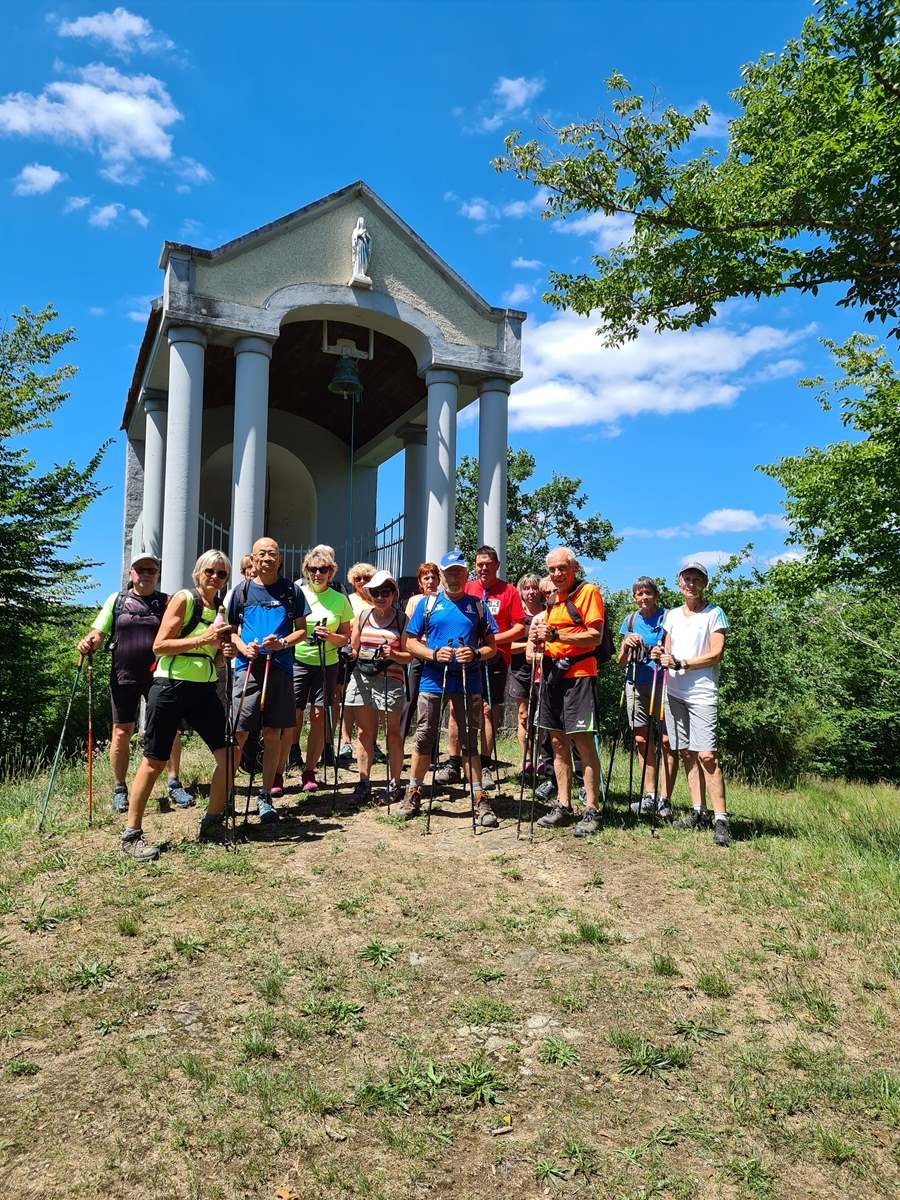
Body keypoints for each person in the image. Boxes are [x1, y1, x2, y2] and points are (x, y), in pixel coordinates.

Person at [118, 551, 235, 861]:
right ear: (198, 572)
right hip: (170, 686)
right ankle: (132, 834)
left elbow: (215, 654)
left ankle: (211, 823)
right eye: (210, 571)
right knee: (155, 760)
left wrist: (224, 650)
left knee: (228, 756)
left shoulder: (219, 608)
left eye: (222, 574)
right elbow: (160, 645)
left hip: (205, 688)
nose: (215, 577)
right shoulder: (184, 599)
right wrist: (204, 639)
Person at [77, 553, 192, 813]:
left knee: (169, 727)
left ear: (157, 574)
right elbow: (99, 631)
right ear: (131, 573)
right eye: (140, 569)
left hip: (160, 675)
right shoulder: (117, 601)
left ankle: (174, 782)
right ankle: (120, 788)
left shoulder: (167, 602)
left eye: (151, 570)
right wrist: (89, 642)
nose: (146, 574)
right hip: (123, 674)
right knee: (121, 731)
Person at [402, 549, 499, 826]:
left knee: (470, 737)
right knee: (424, 735)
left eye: (458, 571)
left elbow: (491, 646)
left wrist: (476, 654)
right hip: (433, 676)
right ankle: (414, 791)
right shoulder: (427, 604)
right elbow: (409, 642)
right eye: (449, 572)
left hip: (469, 678)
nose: (453, 576)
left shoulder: (478, 604)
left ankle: (479, 798)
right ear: (442, 575)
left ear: (465, 574)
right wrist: (433, 654)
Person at [226, 537, 309, 824]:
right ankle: (225, 794)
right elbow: (232, 631)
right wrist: (242, 646)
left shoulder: (291, 591)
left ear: (280, 558)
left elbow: (302, 630)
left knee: (274, 733)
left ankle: (265, 796)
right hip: (246, 668)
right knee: (239, 732)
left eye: (272, 553)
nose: (267, 558)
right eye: (262, 554)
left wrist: (283, 642)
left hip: (280, 667)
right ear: (253, 558)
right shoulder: (242, 590)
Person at [651, 561, 730, 847]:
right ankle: (699, 811)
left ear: (704, 584)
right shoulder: (671, 615)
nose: (692, 584)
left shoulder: (714, 613)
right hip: (673, 692)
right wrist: (662, 653)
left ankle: (721, 818)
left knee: (707, 755)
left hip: (702, 693)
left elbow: (715, 654)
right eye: (687, 579)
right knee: (685, 752)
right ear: (679, 584)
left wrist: (682, 663)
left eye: (697, 579)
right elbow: (668, 647)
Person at [435, 547, 524, 790]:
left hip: (494, 659)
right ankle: (454, 763)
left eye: (488, 563)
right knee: (456, 709)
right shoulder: (468, 587)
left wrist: (492, 640)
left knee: (487, 711)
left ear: (497, 564)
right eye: (479, 564)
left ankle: (483, 764)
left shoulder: (509, 591)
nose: (483, 568)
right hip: (465, 659)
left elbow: (519, 627)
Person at [530, 548, 606, 837]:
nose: (557, 574)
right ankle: (564, 805)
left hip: (579, 675)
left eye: (562, 568)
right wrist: (540, 638)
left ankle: (592, 809)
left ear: (574, 567)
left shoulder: (589, 592)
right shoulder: (552, 599)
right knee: (557, 741)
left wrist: (556, 635)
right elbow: (547, 636)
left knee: (582, 742)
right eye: (552, 570)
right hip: (552, 674)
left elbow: (595, 636)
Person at [344, 570, 410, 806]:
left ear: (393, 594)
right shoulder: (362, 616)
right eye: (375, 592)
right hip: (362, 677)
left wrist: (393, 654)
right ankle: (364, 782)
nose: (380, 596)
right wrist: (346, 653)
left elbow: (409, 656)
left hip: (390, 679)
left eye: (385, 592)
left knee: (392, 733)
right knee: (364, 733)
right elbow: (354, 649)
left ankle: (395, 783)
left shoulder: (402, 620)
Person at [291, 548, 353, 792]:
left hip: (327, 664)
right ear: (306, 571)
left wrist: (330, 636)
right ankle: (279, 769)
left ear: (331, 572)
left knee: (318, 717)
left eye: (323, 570)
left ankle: (310, 770)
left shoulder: (339, 600)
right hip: (297, 661)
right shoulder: (298, 594)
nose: (318, 574)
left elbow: (346, 638)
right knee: (291, 716)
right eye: (313, 569)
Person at [618, 576, 678, 819]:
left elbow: (674, 649)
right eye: (639, 594)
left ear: (655, 595)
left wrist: (662, 651)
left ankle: (665, 798)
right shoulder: (630, 620)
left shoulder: (668, 618)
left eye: (648, 593)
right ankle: (649, 795)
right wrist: (625, 646)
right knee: (642, 740)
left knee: (666, 741)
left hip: (662, 683)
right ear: (634, 597)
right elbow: (621, 663)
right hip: (635, 683)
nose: (643, 598)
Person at [338, 562, 379, 764]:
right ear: (352, 582)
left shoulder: (378, 599)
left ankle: (373, 742)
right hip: (352, 652)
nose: (362, 582)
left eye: (366, 578)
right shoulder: (350, 599)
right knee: (348, 698)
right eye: (358, 579)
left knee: (374, 700)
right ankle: (346, 740)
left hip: (374, 655)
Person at [507, 573, 545, 776]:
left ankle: (541, 758)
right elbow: (507, 646)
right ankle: (527, 760)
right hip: (520, 670)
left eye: (534, 588)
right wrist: (528, 645)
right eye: (526, 588)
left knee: (542, 716)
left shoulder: (549, 613)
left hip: (544, 671)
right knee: (523, 715)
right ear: (520, 591)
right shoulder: (516, 616)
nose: (530, 592)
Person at [400, 562, 440, 740]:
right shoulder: (414, 601)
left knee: (434, 701)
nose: (430, 581)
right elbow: (408, 629)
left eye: (433, 577)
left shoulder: (444, 600)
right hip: (418, 655)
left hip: (437, 655)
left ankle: (431, 747)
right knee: (411, 698)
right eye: (426, 578)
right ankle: (398, 743)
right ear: (420, 582)